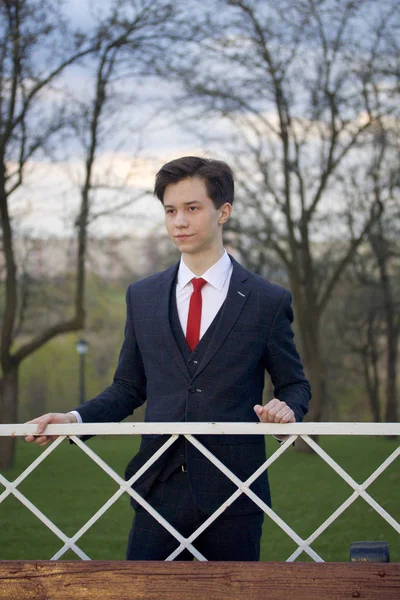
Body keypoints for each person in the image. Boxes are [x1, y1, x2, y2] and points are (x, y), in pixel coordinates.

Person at [25, 156, 311, 561]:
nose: (179, 221)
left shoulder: (267, 300)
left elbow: (294, 384)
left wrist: (288, 413)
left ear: (223, 212)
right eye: (171, 211)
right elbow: (128, 388)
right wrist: (73, 420)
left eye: (192, 209)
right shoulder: (142, 296)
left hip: (236, 493)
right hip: (155, 491)